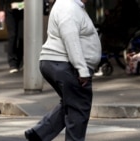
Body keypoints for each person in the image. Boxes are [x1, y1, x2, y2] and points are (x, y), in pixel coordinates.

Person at [24, 0, 102, 141]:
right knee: (79, 109)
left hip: (60, 63)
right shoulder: (68, 6)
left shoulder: (71, 5)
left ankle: (40, 133)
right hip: (65, 64)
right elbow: (70, 39)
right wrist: (82, 69)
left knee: (71, 102)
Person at [0, 0, 24, 74]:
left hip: (24, 10)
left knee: (22, 36)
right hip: (9, 9)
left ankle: (19, 60)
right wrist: (1, 10)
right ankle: (12, 63)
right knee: (12, 36)